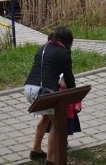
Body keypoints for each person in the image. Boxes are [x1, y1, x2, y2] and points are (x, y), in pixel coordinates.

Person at [24, 27, 76, 164]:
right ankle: (51, 159)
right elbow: (69, 77)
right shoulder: (63, 52)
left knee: (46, 117)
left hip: (29, 89)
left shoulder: (43, 48)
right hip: (44, 92)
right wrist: (74, 98)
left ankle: (36, 151)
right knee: (58, 123)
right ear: (68, 41)